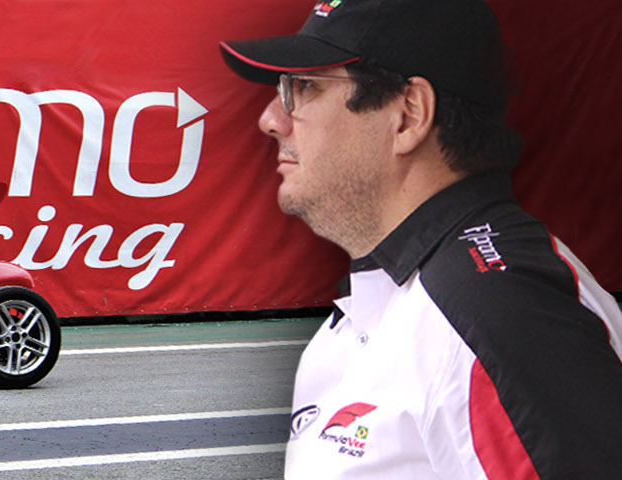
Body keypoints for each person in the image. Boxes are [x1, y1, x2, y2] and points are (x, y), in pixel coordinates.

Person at [218, 0, 622, 478]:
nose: (271, 119)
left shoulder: (491, 310)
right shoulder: (409, 297)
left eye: (304, 87)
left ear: (409, 115)